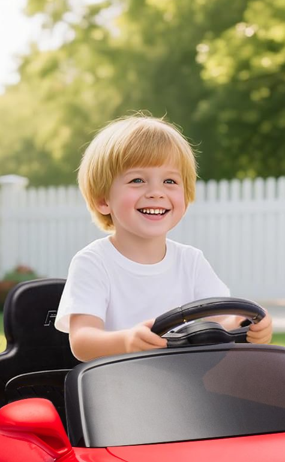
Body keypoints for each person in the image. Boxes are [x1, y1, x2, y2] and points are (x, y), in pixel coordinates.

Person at [55, 114, 273, 361]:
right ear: (103, 200)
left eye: (169, 180)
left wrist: (247, 323)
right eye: (137, 180)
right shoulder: (94, 262)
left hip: (185, 381)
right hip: (117, 387)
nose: (156, 193)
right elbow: (83, 341)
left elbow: (222, 318)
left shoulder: (191, 261)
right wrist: (127, 341)